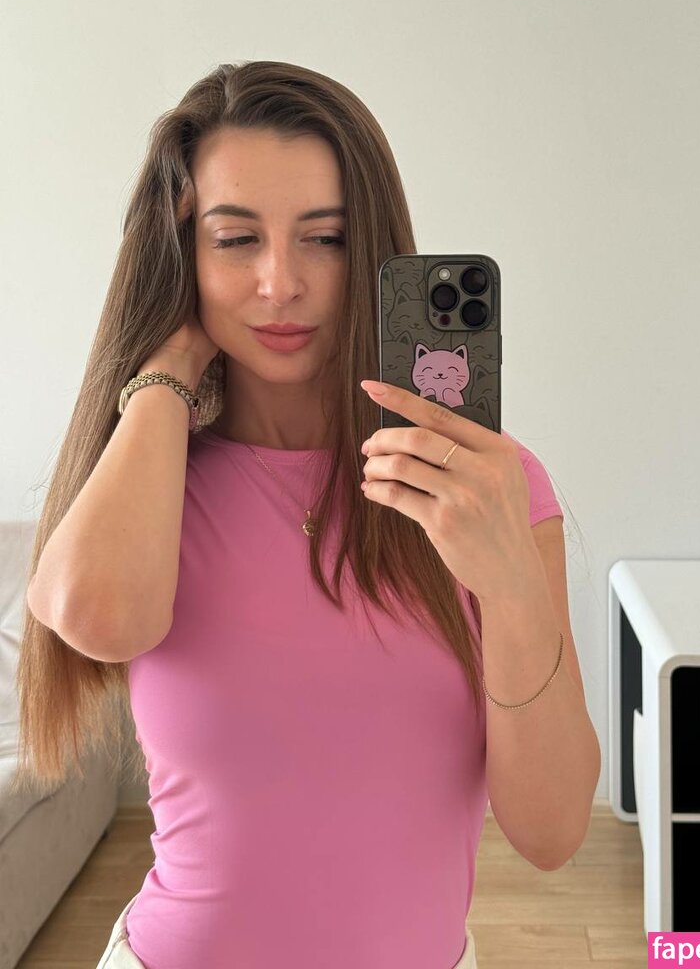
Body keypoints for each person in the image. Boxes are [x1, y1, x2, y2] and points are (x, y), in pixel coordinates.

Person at [16, 61, 573, 969]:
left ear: (377, 255)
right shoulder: (157, 483)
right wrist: (165, 374)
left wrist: (509, 585)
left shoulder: (485, 487)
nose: (281, 283)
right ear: (183, 255)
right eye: (235, 239)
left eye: (326, 239)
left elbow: (551, 831)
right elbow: (96, 619)